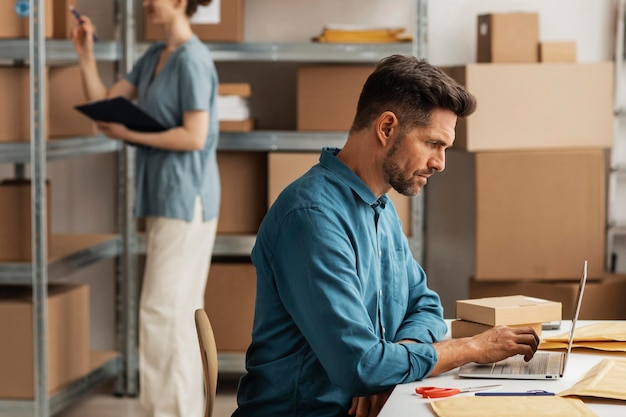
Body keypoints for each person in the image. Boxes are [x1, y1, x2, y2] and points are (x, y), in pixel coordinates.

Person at [232, 55, 539, 417]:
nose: (440, 163)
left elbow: (424, 305)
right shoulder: (312, 218)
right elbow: (360, 366)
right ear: (387, 128)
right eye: (432, 144)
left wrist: (392, 368)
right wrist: (470, 348)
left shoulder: (380, 208)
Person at [71, 1, 219, 416]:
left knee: (163, 311)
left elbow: (194, 136)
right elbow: (103, 103)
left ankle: (169, 412)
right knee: (174, 312)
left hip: (187, 197)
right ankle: (180, 410)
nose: (145, 3)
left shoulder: (193, 60)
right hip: (163, 196)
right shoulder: (154, 56)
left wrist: (131, 132)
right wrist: (84, 55)